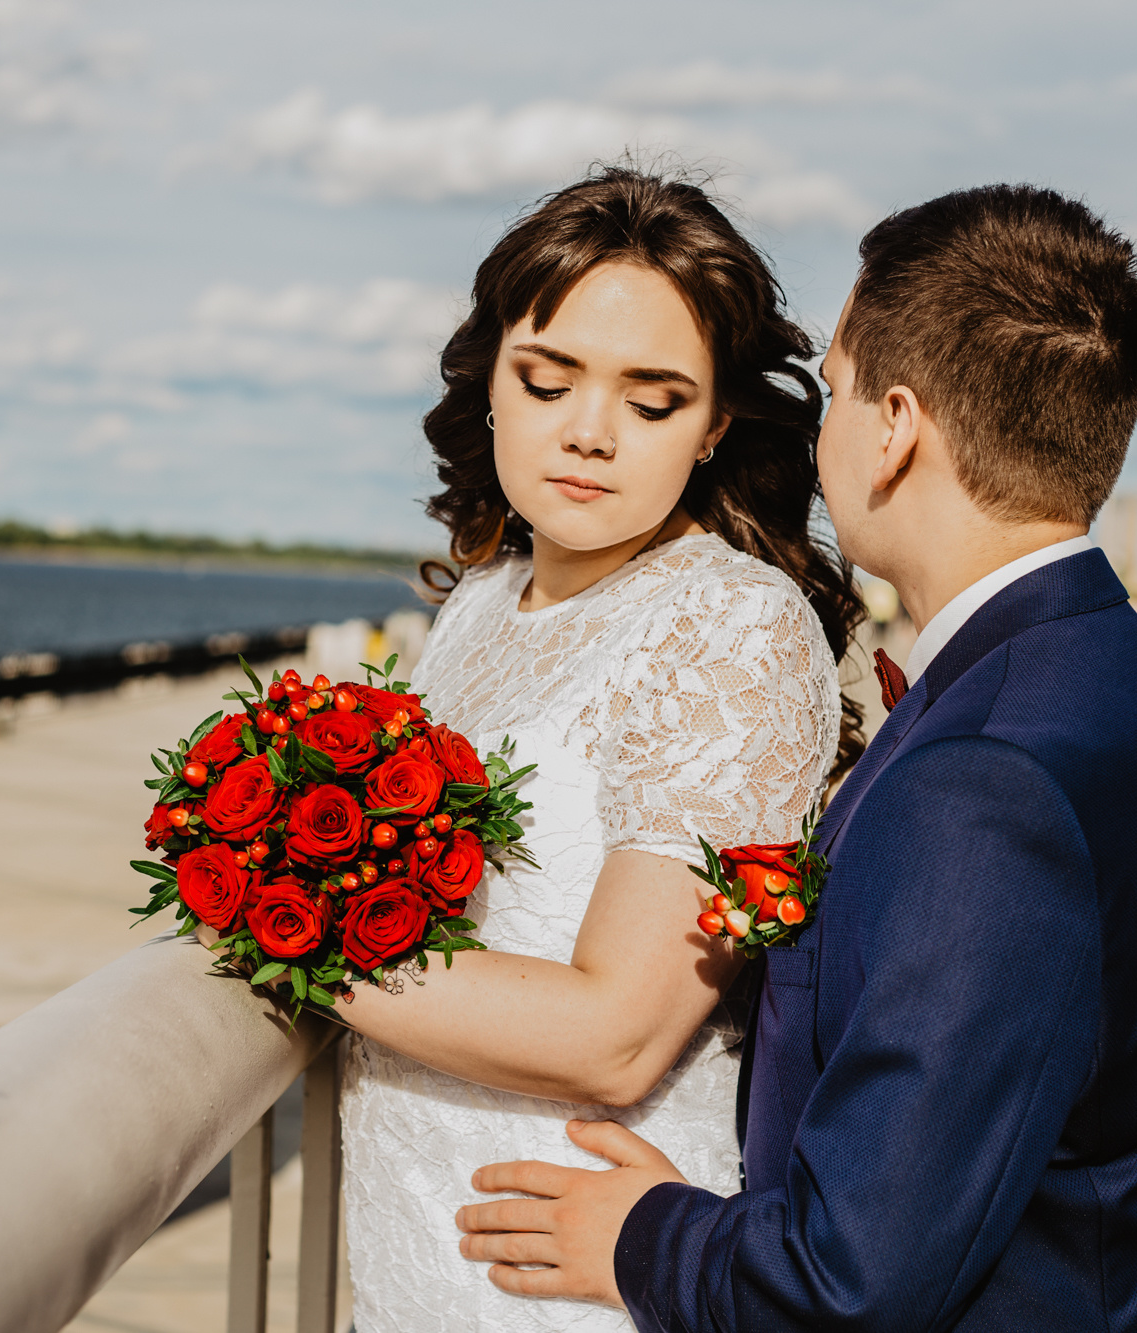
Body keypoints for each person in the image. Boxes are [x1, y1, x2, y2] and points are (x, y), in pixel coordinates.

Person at [456, 184, 1137, 1332]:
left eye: (830, 390)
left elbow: (855, 1277)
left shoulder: (987, 779)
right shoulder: (1097, 666)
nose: (817, 425)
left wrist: (636, 1236)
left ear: (894, 426)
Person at [326, 167, 867, 1333]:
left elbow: (615, 1034)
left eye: (652, 399)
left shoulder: (732, 624)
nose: (586, 432)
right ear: (490, 381)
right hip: (407, 1227)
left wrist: (281, 923)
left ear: (717, 421)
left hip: (569, 1260)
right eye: (546, 378)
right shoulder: (479, 601)